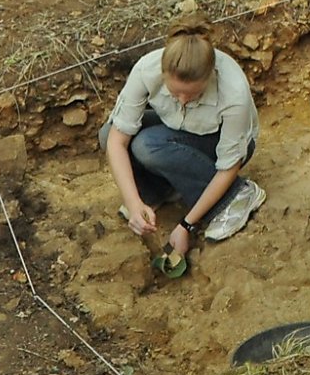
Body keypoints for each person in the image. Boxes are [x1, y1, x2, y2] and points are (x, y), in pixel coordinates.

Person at [102, 18, 263, 260]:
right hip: (176, 130)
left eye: (193, 94)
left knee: (148, 145)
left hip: (220, 145)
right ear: (163, 73)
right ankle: (157, 193)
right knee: (108, 133)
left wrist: (187, 225)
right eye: (174, 92)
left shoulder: (233, 93)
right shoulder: (147, 69)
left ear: (210, 77)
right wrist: (134, 203)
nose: (184, 100)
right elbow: (116, 141)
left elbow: (229, 164)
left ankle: (237, 194)